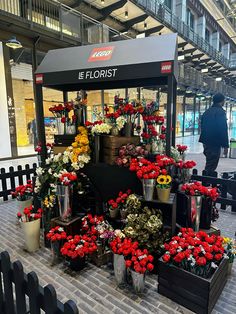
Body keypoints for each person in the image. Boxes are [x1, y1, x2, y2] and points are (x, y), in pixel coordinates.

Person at [199, 93, 229, 174]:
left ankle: (207, 179)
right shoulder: (220, 112)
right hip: (215, 142)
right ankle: (207, 181)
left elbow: (202, 126)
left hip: (206, 141)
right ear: (222, 101)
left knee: (209, 161)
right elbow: (223, 129)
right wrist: (226, 145)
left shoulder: (207, 112)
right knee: (211, 164)